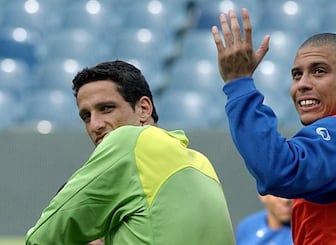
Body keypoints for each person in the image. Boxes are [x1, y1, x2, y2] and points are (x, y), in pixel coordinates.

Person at [211, 8, 336, 244]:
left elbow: (279, 170)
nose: (302, 85)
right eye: (297, 75)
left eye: (319, 71)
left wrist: (239, 84)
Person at [26, 60, 235, 245]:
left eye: (106, 108)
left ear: (144, 108)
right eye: (86, 116)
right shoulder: (202, 163)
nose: (95, 125)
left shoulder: (128, 141)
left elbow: (41, 238)